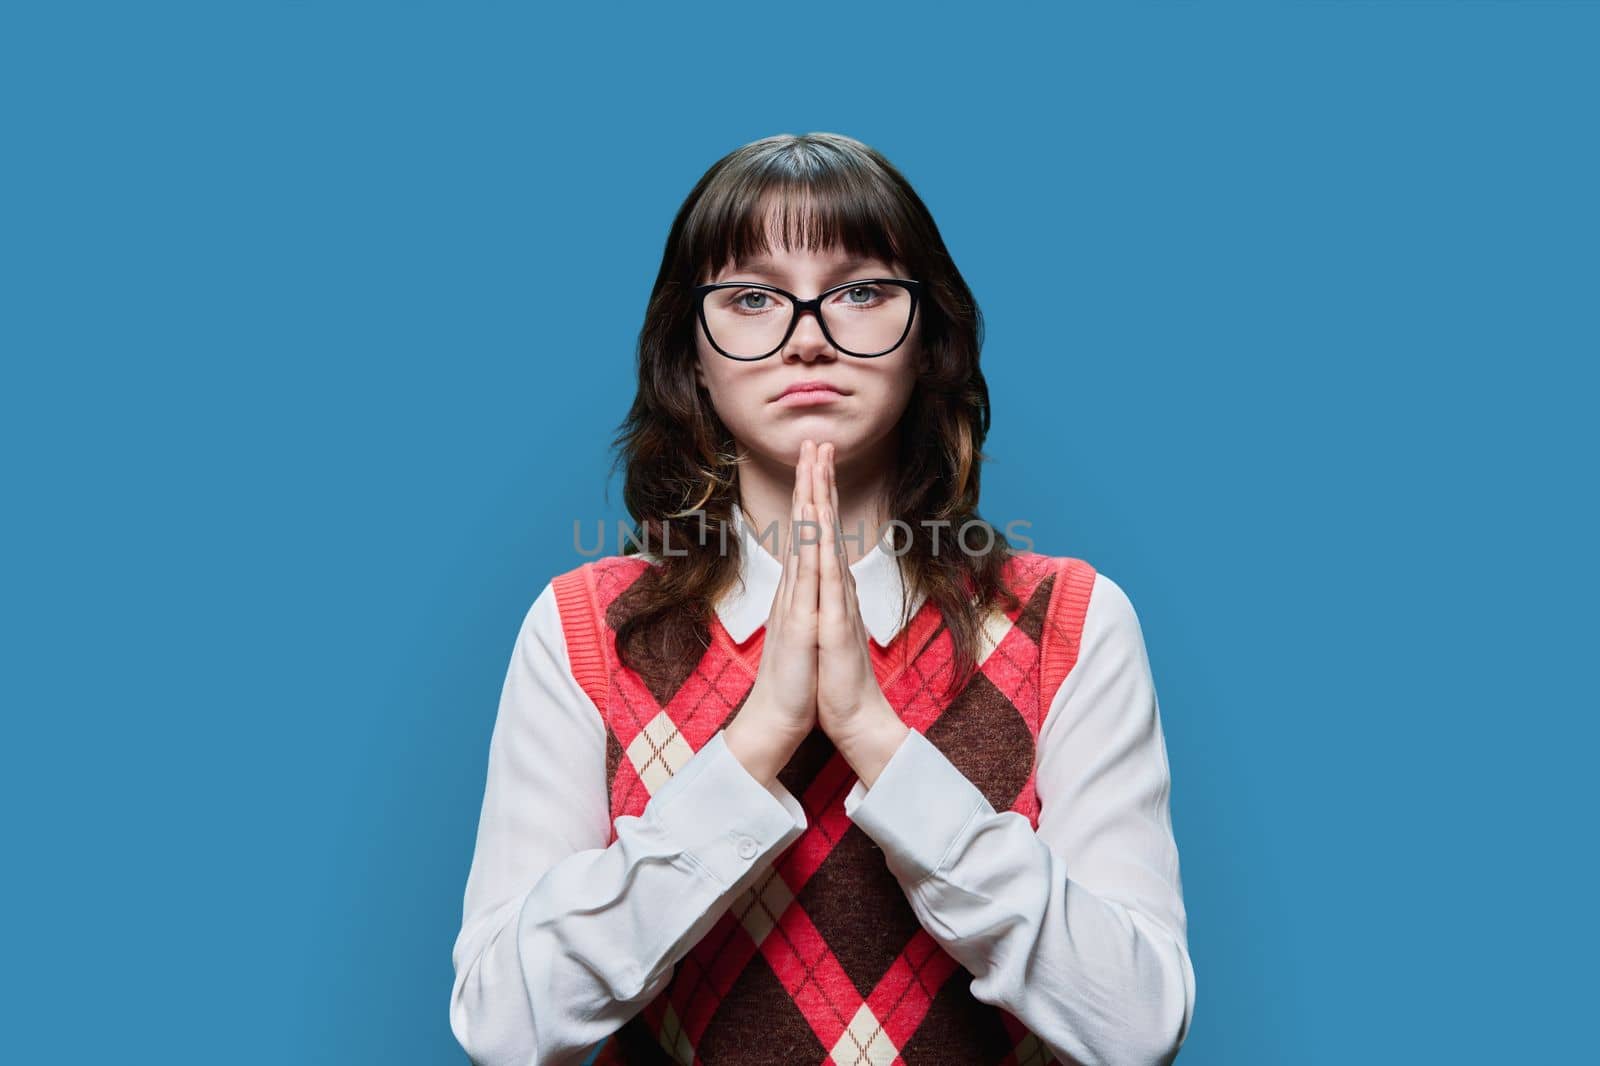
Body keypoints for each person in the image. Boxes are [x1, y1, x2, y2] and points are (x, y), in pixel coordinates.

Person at [449, 132, 1196, 1065]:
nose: (808, 335)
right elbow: (505, 1029)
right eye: (752, 298)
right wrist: (759, 740)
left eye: (861, 292)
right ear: (692, 354)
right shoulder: (585, 628)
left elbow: (1136, 1029)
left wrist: (875, 740)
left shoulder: (1070, 624)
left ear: (929, 340)